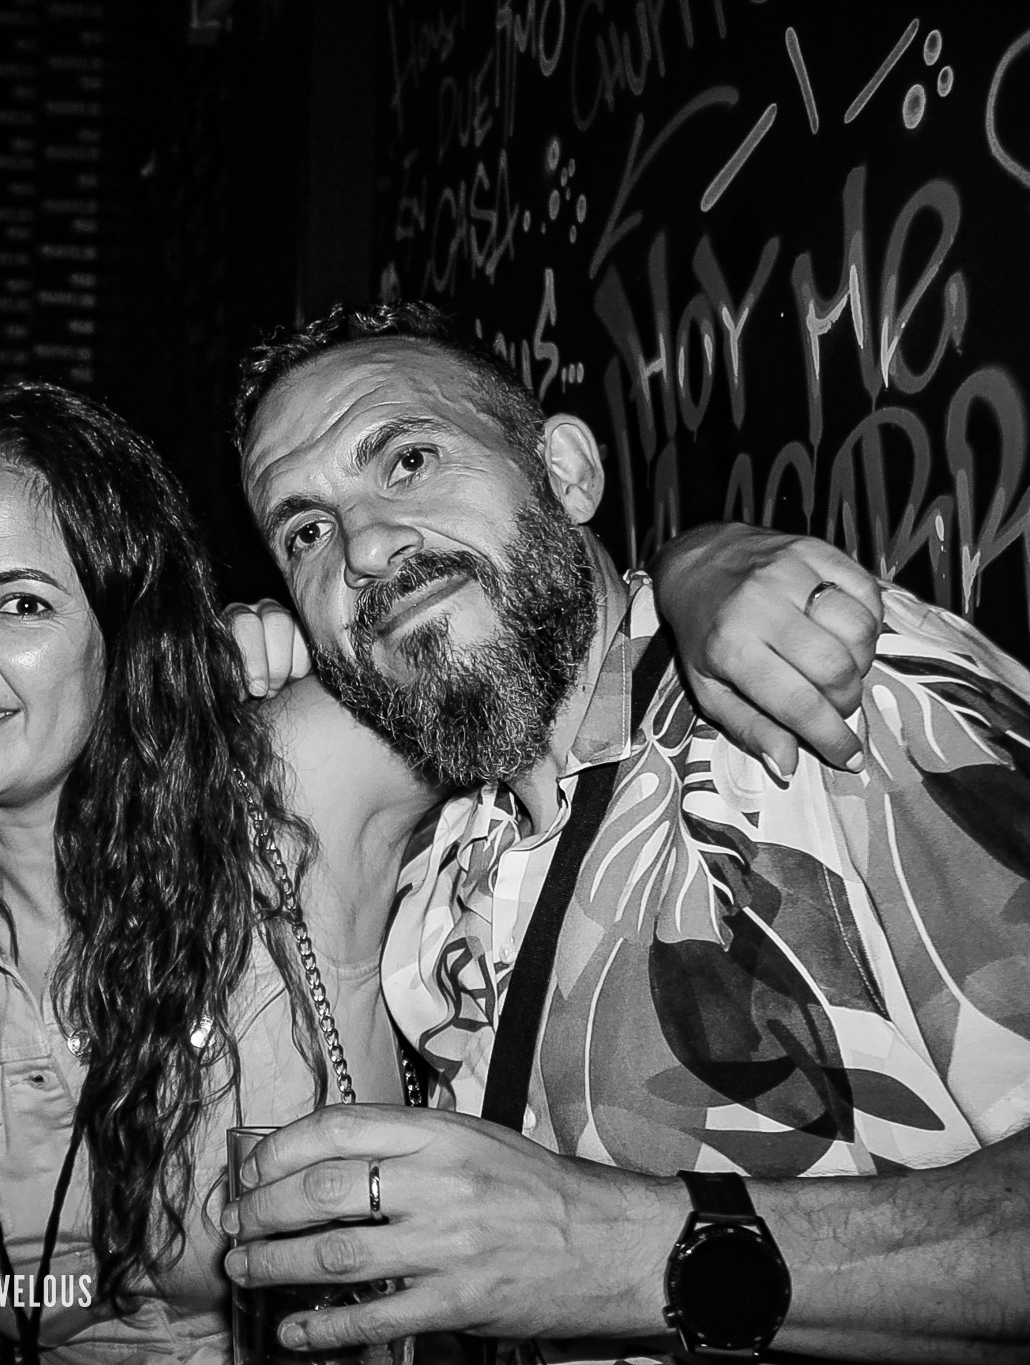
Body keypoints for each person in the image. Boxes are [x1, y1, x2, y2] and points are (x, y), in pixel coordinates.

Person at [0, 380, 839, 1364]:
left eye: (22, 604)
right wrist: (12, 1307)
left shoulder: (290, 784)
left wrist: (704, 568)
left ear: (126, 625)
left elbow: (552, 641)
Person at [222, 300, 1030, 1363]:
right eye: (306, 533)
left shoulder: (825, 703)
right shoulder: (447, 857)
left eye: (409, 460)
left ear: (565, 474)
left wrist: (630, 1250)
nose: (364, 548)